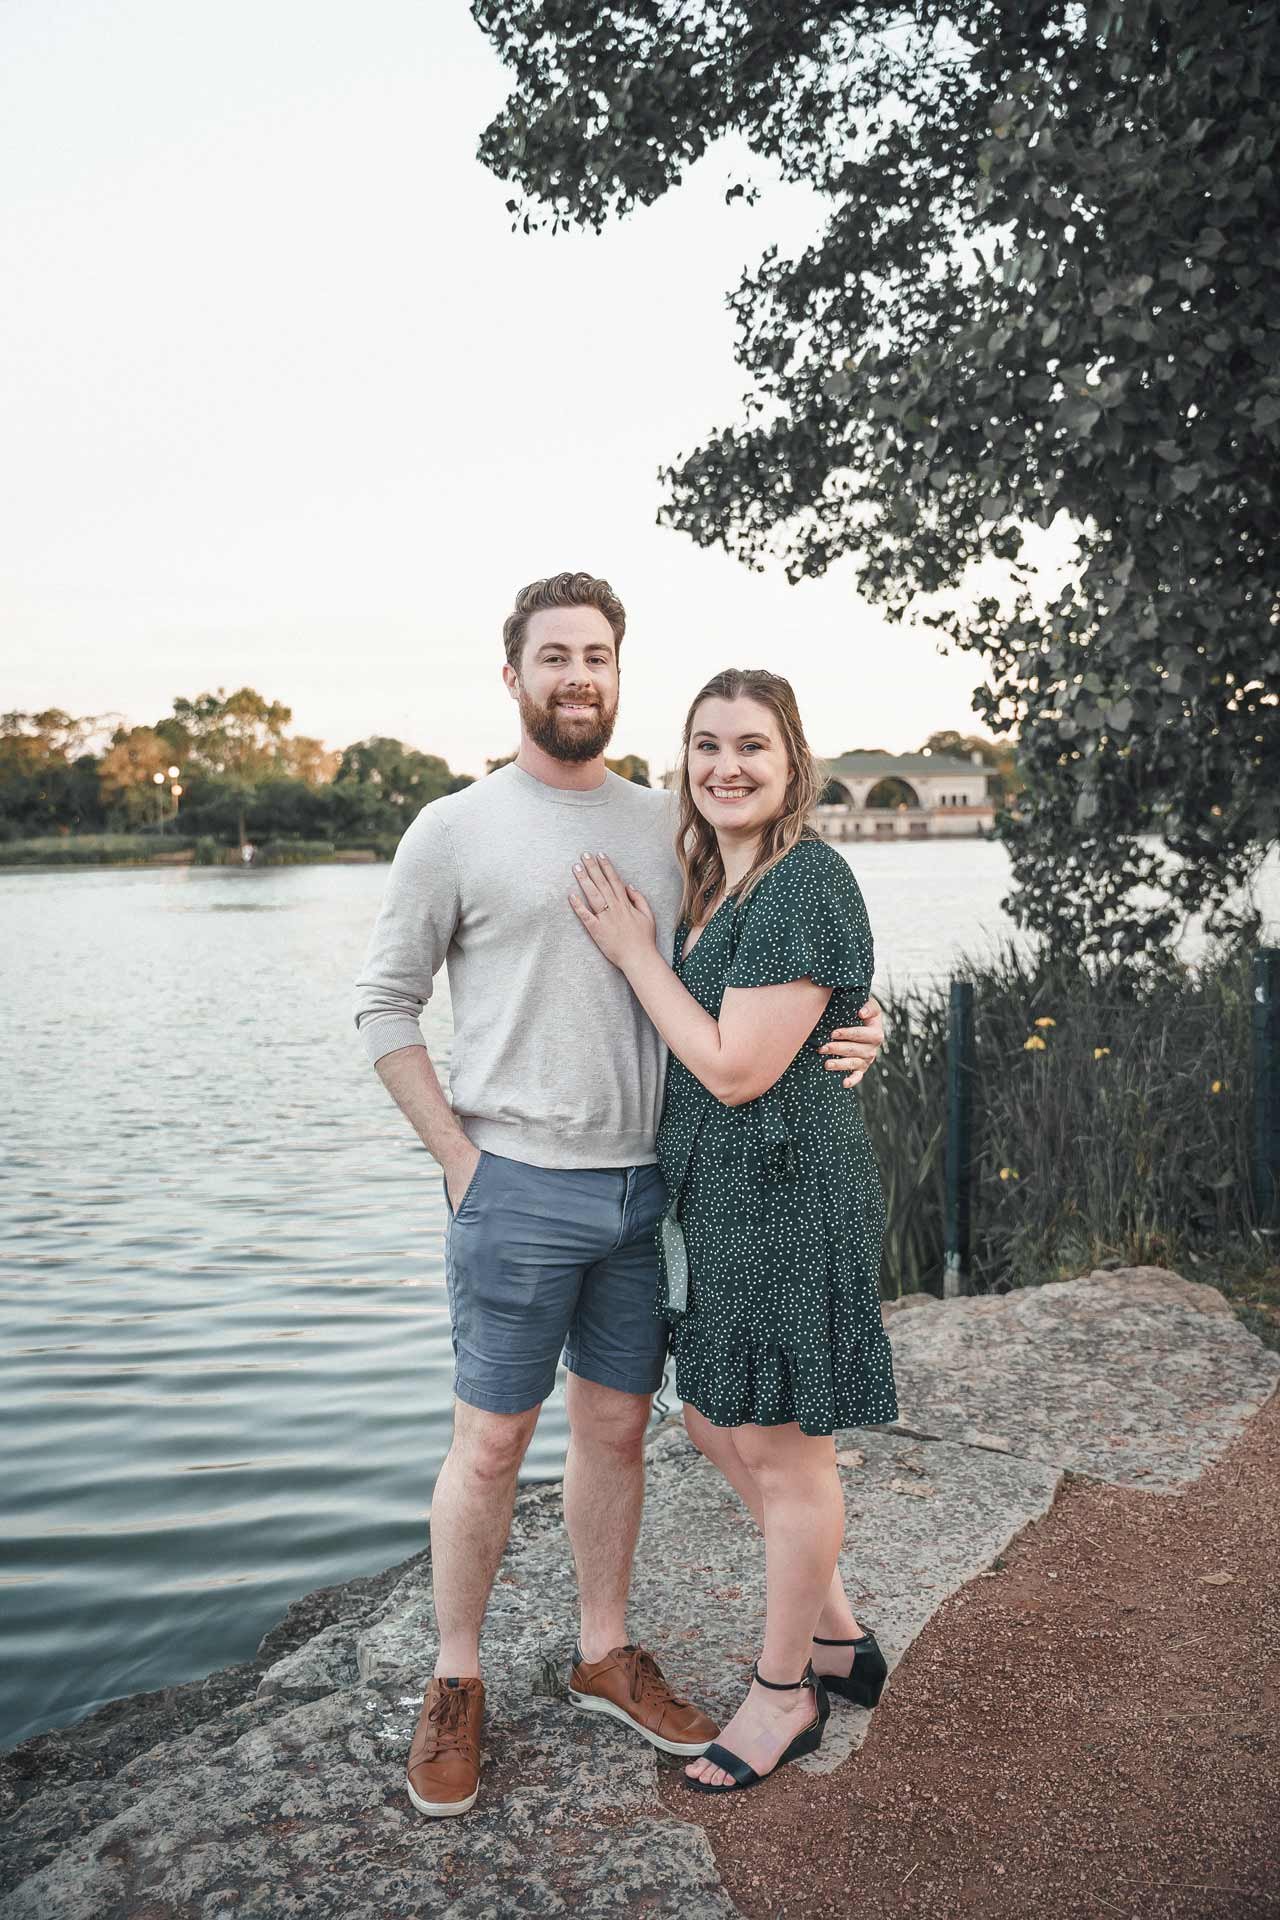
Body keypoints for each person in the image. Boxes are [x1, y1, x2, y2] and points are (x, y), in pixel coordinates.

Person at [353, 573, 885, 1818]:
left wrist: (869, 1023)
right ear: (514, 677)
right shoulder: (453, 829)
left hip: (654, 1194)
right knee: (490, 1442)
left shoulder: (669, 823)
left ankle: (604, 1650)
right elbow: (383, 1005)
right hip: (515, 1185)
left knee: (618, 1432)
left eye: (595, 654)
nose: (576, 675)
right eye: (553, 657)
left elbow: (776, 961)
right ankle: (457, 1677)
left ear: (615, 671)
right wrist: (457, 1158)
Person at [568, 666, 897, 1794]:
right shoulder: (722, 881)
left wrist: (632, 955)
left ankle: (783, 1693)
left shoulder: (802, 880)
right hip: (721, 1203)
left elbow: (733, 1065)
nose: (725, 765)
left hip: (786, 1194)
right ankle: (838, 1635)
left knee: (784, 1449)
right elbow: (798, 1015)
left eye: (751, 744)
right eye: (706, 744)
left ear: (791, 760)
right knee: (714, 1415)